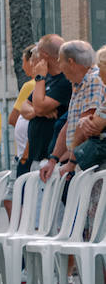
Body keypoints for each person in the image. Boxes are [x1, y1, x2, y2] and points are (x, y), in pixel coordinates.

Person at [41, 39, 104, 180]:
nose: (59, 66)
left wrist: (71, 162)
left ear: (70, 62)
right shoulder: (79, 84)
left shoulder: (93, 80)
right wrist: (53, 159)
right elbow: (70, 124)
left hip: (90, 163)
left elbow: (86, 124)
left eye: (60, 61)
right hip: (81, 161)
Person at [19, 34, 70, 176]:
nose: (34, 56)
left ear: (45, 55)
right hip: (37, 156)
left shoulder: (65, 80)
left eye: (37, 52)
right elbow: (23, 108)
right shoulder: (47, 79)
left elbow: (39, 106)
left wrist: (39, 77)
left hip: (54, 158)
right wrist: (38, 111)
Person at [8, 46, 38, 164]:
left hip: (25, 154)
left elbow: (13, 118)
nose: (22, 66)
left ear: (31, 62)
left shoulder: (30, 85)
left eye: (23, 61)